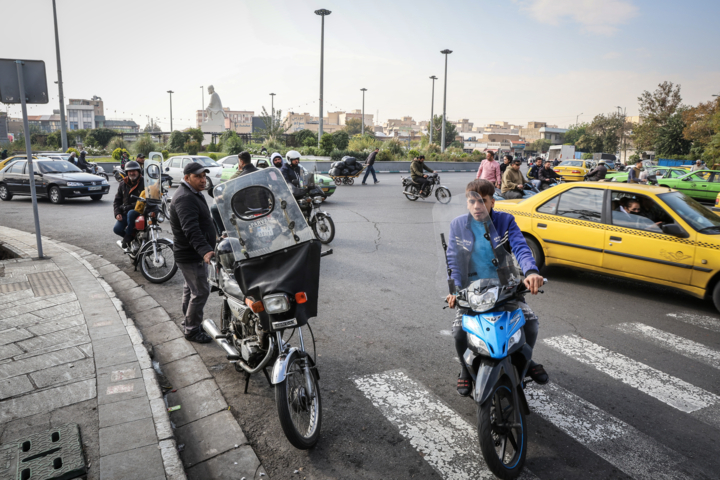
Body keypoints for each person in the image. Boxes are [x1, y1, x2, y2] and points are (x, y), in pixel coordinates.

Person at [446, 179, 548, 396]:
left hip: (505, 287)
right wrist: (454, 289)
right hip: (470, 290)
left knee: (529, 323)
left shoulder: (505, 221)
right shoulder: (458, 225)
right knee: (458, 334)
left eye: (482, 201)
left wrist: (530, 272)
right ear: (467, 203)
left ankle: (524, 358)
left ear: (492, 202)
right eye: (472, 201)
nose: (477, 206)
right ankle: (465, 369)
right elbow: (453, 260)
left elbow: (520, 247)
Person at [168, 162, 218, 344]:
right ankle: (191, 329)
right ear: (187, 177)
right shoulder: (184, 198)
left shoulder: (192, 193)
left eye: (204, 176)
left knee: (190, 289)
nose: (203, 180)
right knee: (201, 291)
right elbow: (191, 229)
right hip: (190, 254)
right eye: (198, 177)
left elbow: (204, 221)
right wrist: (205, 250)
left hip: (191, 252)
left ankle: (189, 321)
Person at [112, 161, 145, 248]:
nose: (131, 173)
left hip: (140, 211)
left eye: (134, 171)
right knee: (117, 229)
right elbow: (117, 200)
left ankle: (128, 236)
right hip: (126, 211)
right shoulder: (123, 184)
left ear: (138, 171)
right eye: (129, 171)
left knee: (131, 212)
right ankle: (133, 240)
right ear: (126, 172)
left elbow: (148, 198)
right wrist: (117, 213)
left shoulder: (145, 182)